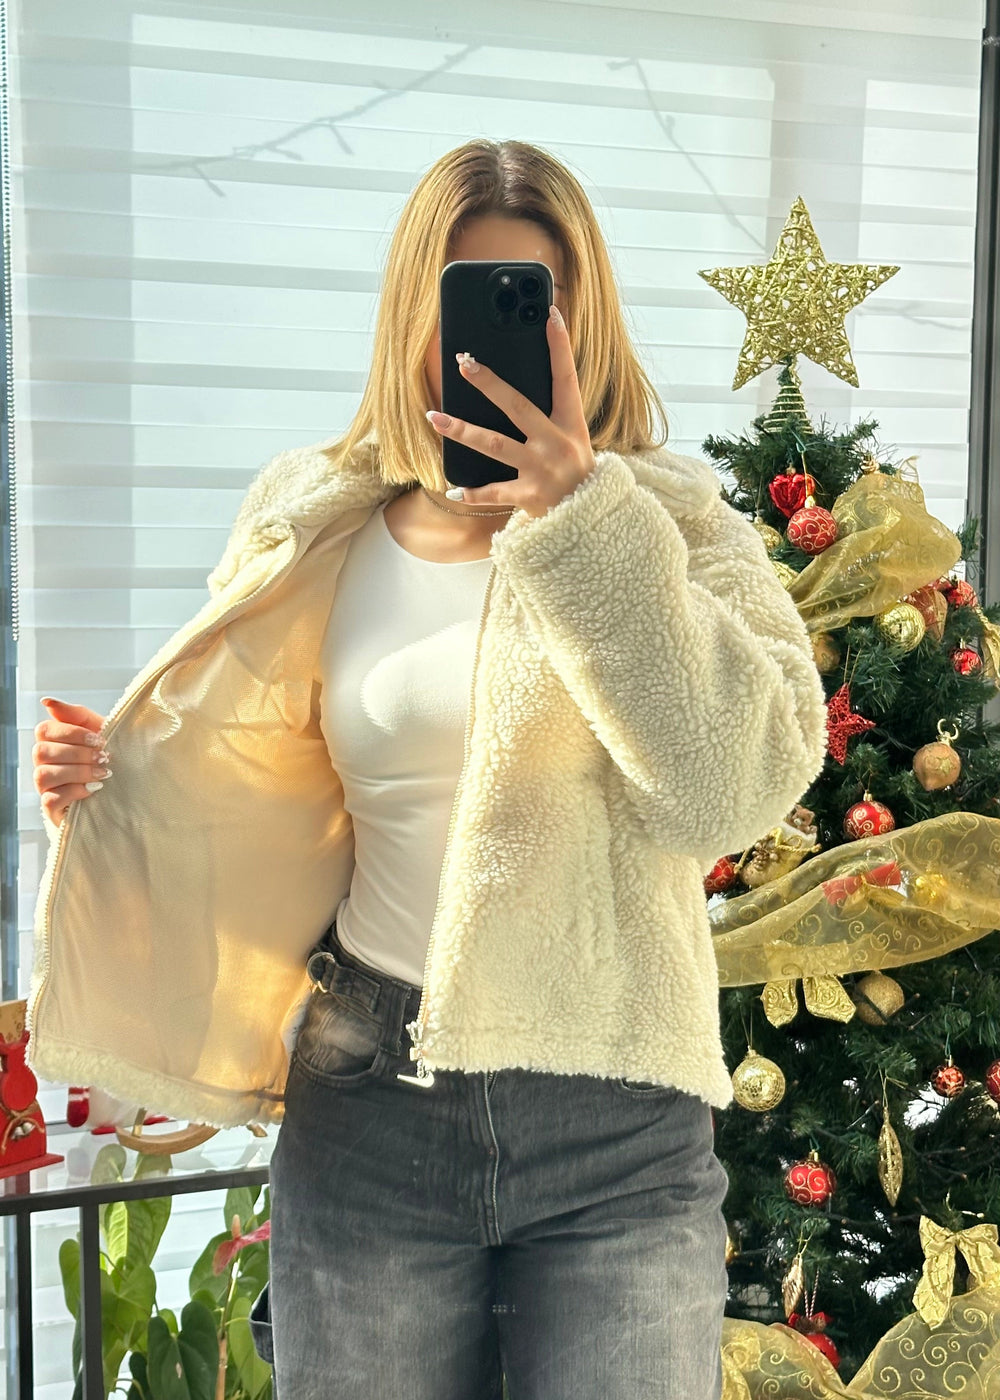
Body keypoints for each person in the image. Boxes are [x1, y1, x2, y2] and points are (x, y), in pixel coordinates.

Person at [30, 139, 829, 1399]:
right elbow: (244, 786)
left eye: (534, 302)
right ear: (415, 312)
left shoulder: (673, 520)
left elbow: (729, 788)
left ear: (583, 320)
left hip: (615, 1118)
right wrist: (105, 783)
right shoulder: (316, 516)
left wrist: (577, 513)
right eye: (467, 301)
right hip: (369, 1099)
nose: (496, 342)